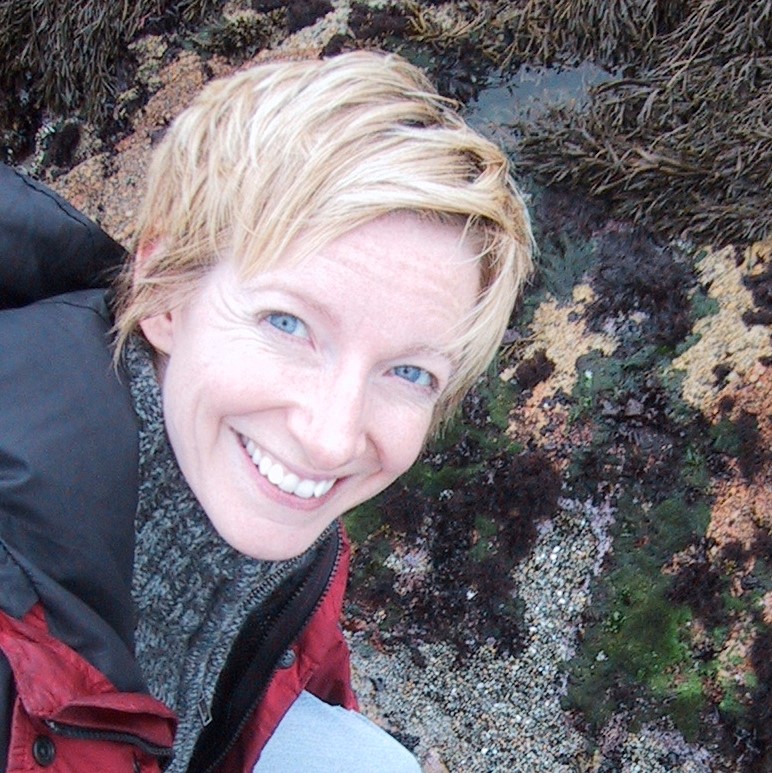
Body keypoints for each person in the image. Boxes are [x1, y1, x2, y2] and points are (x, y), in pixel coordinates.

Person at [0, 51, 533, 772]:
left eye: (408, 371)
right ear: (163, 293)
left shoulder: (280, 539)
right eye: (287, 324)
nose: (330, 436)